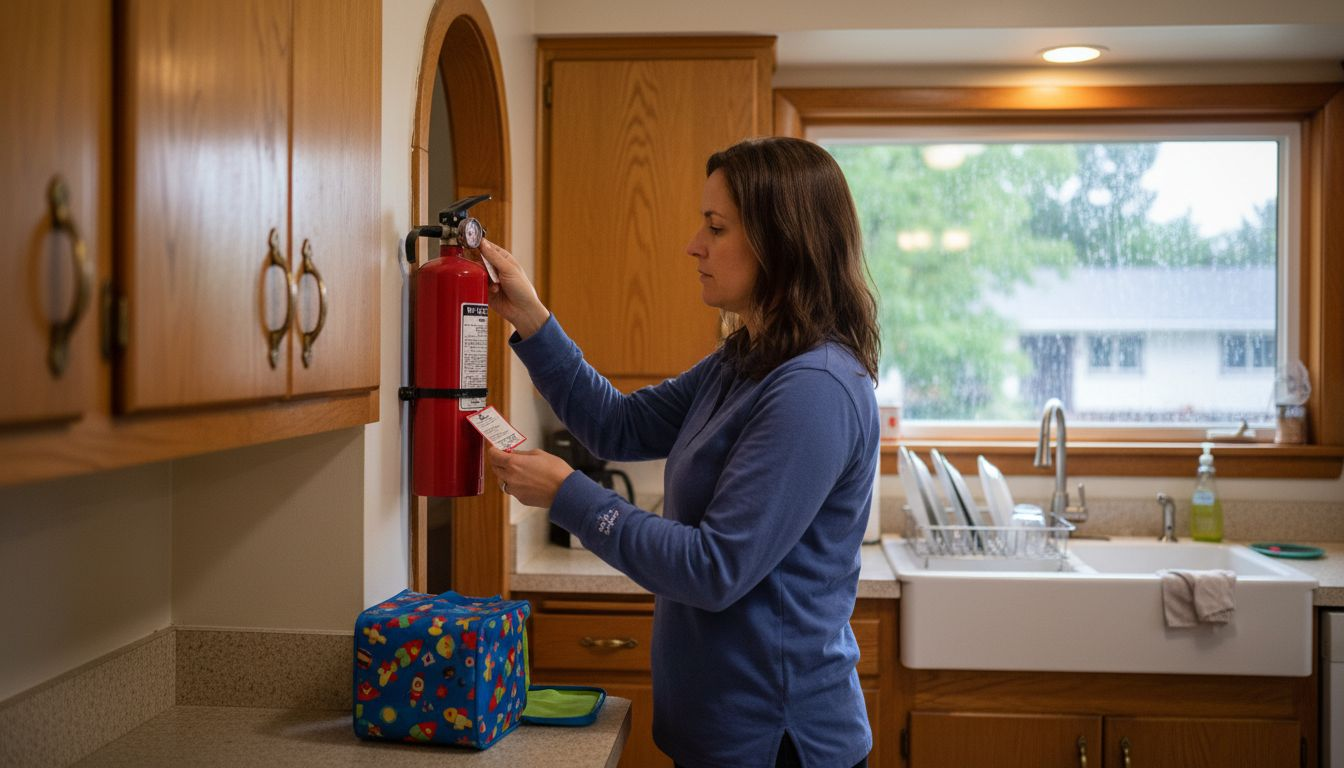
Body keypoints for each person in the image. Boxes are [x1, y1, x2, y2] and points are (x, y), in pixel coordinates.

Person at [480, 136, 880, 768]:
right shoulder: (746, 358)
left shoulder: (814, 389)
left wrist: (568, 496)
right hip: (717, 729)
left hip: (779, 743)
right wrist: (531, 319)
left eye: (716, 228)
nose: (694, 244)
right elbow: (618, 425)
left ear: (782, 243)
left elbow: (713, 569)